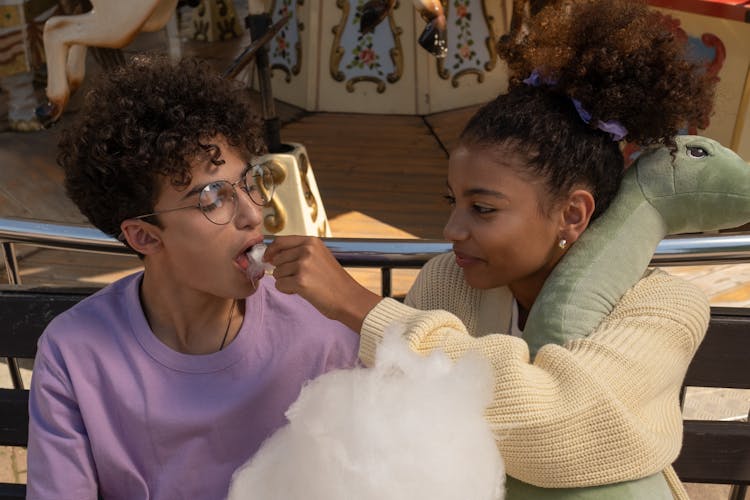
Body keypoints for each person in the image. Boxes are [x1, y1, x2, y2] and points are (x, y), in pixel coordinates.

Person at [263, 1, 716, 498]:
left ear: (572, 213)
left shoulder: (665, 308)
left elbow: (559, 429)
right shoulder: (446, 280)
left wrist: (363, 308)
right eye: (452, 201)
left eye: (483, 209)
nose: (453, 228)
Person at [26, 55, 360, 500]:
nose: (252, 214)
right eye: (213, 198)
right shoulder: (74, 353)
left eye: (249, 183)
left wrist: (356, 307)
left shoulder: (322, 332)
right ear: (144, 236)